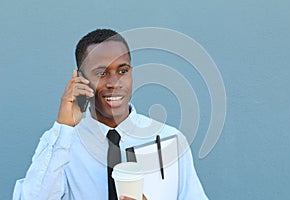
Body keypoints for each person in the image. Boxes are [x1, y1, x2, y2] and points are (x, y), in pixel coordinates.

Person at [13, 29, 209, 200]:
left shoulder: (169, 140)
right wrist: (64, 127)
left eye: (122, 71)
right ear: (80, 80)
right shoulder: (61, 143)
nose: (114, 83)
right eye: (101, 73)